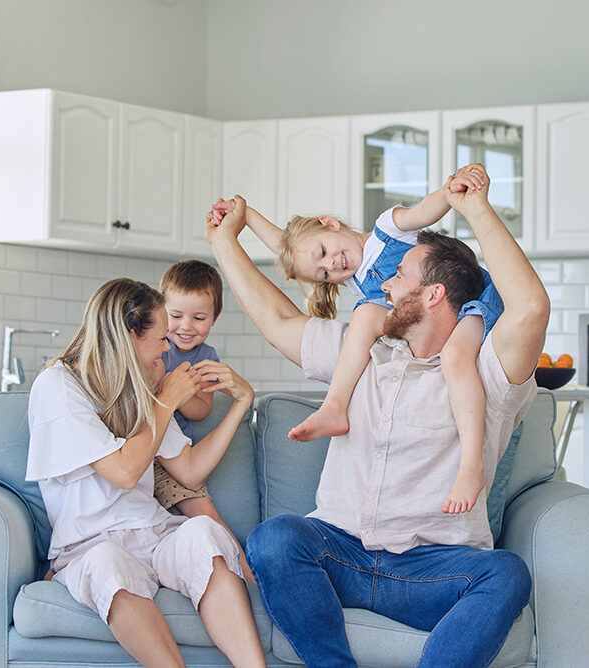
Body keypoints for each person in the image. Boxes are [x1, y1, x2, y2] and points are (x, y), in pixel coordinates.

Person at [205, 164, 550, 668]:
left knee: (506, 574)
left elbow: (532, 307)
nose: (382, 282)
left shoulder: (487, 373)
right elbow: (279, 319)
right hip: (341, 552)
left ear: (432, 295)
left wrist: (475, 208)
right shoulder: (361, 349)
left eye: (399, 274)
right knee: (275, 537)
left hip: (431, 568)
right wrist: (224, 242)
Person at [211, 164, 501, 514]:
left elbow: (423, 211)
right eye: (323, 273)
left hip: (475, 298)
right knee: (365, 314)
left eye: (325, 253)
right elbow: (291, 248)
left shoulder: (386, 230)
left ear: (330, 223)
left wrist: (449, 192)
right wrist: (244, 219)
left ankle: (471, 467)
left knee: (456, 358)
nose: (331, 265)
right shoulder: (351, 277)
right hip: (433, 314)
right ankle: (335, 406)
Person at [25, 278, 266, 668]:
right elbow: (122, 472)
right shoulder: (59, 385)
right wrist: (167, 400)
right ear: (130, 336)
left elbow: (188, 472)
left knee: (205, 532)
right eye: (160, 337)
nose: (168, 347)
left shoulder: (142, 385)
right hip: (90, 543)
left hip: (153, 535)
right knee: (107, 563)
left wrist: (242, 403)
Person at [154, 259, 253, 581]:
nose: (186, 326)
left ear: (214, 317)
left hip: (173, 456)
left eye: (199, 318)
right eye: (175, 315)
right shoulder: (151, 346)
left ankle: (251, 580)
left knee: (207, 515)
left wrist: (178, 393)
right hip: (142, 445)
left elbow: (201, 410)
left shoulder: (205, 358)